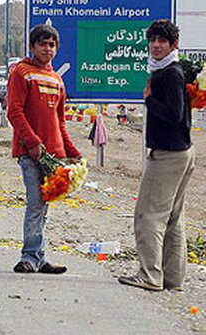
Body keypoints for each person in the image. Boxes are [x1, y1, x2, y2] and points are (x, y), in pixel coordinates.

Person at [118, 20, 195, 292]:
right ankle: (173, 279)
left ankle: (150, 274)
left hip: (168, 154)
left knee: (147, 215)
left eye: (162, 41)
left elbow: (174, 114)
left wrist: (149, 99)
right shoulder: (172, 70)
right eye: (152, 41)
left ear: (174, 45)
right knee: (173, 218)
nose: (156, 45)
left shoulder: (169, 74)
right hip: (182, 151)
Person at [7, 24, 81, 274]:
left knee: (44, 206)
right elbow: (14, 111)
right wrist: (32, 142)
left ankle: (39, 256)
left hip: (54, 155)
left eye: (52, 45)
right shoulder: (22, 72)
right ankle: (28, 256)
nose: (47, 49)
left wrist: (72, 151)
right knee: (36, 204)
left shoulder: (57, 79)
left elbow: (59, 121)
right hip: (30, 152)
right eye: (42, 44)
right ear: (32, 46)